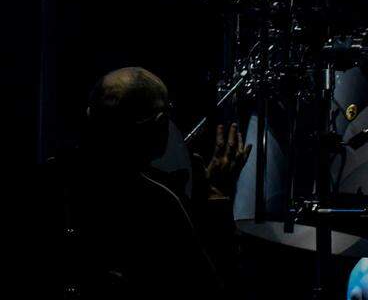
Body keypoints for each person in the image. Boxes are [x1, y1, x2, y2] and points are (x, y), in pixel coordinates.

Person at [35, 67, 250, 299]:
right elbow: (216, 292)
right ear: (160, 123)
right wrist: (216, 199)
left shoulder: (46, 178)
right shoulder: (161, 202)